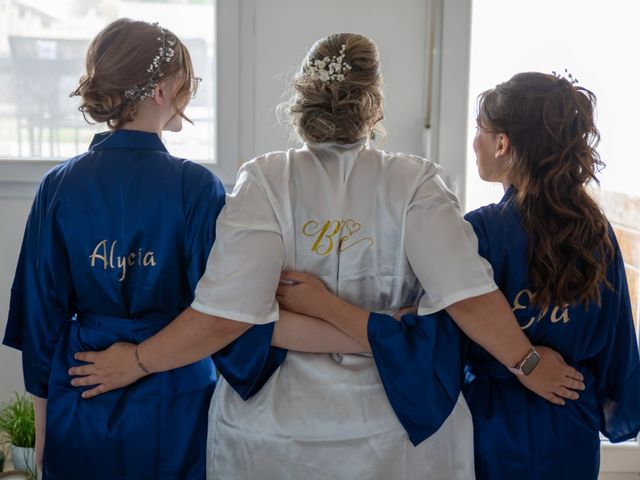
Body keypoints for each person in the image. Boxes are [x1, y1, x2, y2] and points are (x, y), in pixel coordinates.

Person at [68, 35, 584, 479]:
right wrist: (527, 362)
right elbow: (468, 297)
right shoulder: (416, 181)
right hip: (395, 431)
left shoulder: (265, 179)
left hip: (276, 433)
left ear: (303, 102)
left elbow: (228, 313)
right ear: (374, 106)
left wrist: (136, 362)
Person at [277, 72, 640, 480]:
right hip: (570, 425)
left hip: (492, 429)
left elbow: (422, 336)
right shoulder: (598, 231)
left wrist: (324, 305)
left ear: (502, 144)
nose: (476, 142)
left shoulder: (479, 233)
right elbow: (618, 347)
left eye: (480, 131)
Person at [1, 18, 243, 480]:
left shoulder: (59, 184)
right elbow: (218, 310)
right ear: (159, 92)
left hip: (81, 383)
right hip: (176, 389)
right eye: (186, 83)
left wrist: (43, 423)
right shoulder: (197, 188)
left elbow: (40, 316)